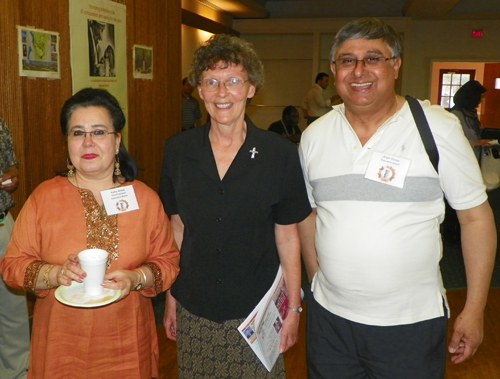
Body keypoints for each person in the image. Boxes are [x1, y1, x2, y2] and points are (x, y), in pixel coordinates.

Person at [298, 18, 496, 379]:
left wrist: (475, 307)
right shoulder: (314, 136)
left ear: (396, 65)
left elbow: (476, 218)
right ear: (333, 70)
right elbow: (310, 215)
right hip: (331, 325)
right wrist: (316, 281)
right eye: (347, 60)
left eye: (373, 58)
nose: (359, 71)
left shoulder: (436, 127)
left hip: (411, 324)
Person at [0, 88, 180, 379]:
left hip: (128, 345)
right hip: (62, 345)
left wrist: (137, 277)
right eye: (77, 133)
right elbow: (12, 265)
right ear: (67, 142)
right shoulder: (44, 198)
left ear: (117, 140)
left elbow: (168, 261)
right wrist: (54, 273)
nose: (87, 142)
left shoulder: (144, 199)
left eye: (98, 132)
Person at [160, 34, 311, 379]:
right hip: (195, 309)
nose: (222, 92)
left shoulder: (279, 154)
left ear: (251, 88)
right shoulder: (178, 151)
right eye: (211, 82)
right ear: (199, 90)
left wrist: (294, 309)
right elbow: (177, 228)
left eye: (233, 81)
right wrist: (171, 296)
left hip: (256, 311)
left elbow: (287, 235)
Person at [0, 117, 29, 379]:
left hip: (1, 221)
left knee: (12, 304)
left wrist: (11, 176)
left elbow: (11, 165)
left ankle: (18, 372)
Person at [450, 80, 487, 161]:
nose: (481, 100)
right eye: (480, 97)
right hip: (462, 159)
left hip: (473, 157)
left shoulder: (471, 114)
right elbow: (452, 139)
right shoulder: (456, 114)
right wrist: (474, 143)